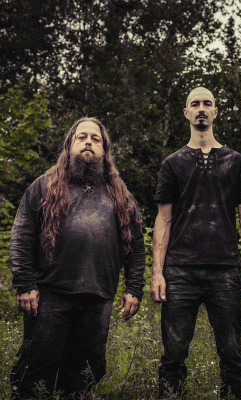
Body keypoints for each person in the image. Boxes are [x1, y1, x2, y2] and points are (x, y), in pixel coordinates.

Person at [9, 117, 146, 399]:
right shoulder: (44, 186)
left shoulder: (120, 194)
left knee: (84, 374)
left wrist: (134, 288)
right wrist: (25, 284)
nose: (88, 142)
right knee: (37, 371)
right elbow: (22, 235)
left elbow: (135, 244)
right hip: (49, 295)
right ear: (69, 146)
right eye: (81, 137)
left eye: (96, 139)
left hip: (98, 296)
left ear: (105, 150)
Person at [150, 87, 241, 399]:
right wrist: (157, 272)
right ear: (186, 113)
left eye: (207, 103)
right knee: (173, 356)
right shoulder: (172, 163)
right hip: (180, 271)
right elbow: (163, 218)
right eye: (195, 104)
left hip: (225, 269)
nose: (201, 108)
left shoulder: (235, 161)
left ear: (215, 112)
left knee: (233, 355)